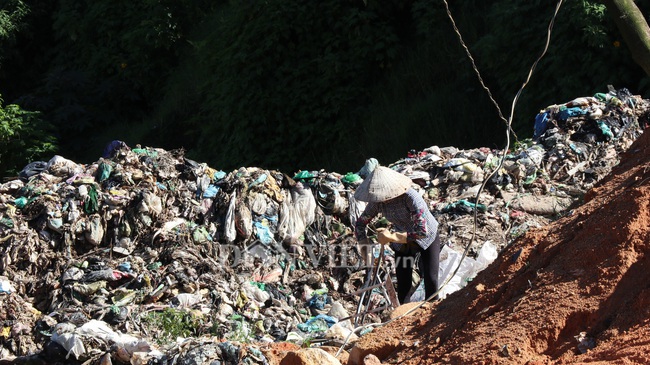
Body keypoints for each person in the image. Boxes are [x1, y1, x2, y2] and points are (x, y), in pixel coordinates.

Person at [353, 165, 440, 304]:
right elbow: (360, 224)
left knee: (431, 278)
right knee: (403, 282)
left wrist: (392, 237)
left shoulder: (411, 197)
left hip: (427, 236)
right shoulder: (378, 202)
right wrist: (364, 247)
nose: (384, 199)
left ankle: (433, 310)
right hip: (402, 240)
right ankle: (403, 316)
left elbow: (422, 231)